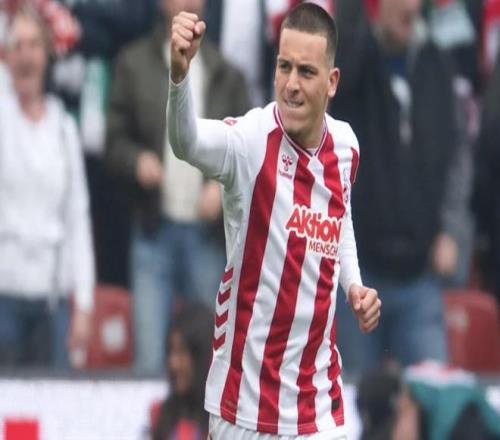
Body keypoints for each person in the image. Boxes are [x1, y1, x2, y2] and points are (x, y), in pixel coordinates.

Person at [167, 3, 381, 438]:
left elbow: (339, 218)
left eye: (306, 71)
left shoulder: (346, 147)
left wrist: (354, 285)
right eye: (284, 67)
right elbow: (186, 142)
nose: (291, 85)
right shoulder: (251, 142)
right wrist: (179, 76)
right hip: (245, 409)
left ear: (332, 82)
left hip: (317, 405)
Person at [106, 0, 251, 375]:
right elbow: (113, 141)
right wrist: (136, 160)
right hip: (153, 231)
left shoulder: (227, 73)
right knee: (149, 363)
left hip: (207, 237)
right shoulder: (133, 64)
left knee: (212, 361)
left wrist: (221, 189)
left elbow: (249, 156)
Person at [330, 0, 469, 375]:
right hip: (360, 276)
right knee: (353, 395)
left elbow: (458, 156)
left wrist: (451, 230)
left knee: (433, 394)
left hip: (420, 274)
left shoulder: (437, 64)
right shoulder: (354, 63)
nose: (410, 6)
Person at [0, 5, 95, 368]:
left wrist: (83, 302)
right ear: (7, 57)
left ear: (47, 55)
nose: (26, 54)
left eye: (34, 45)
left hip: (51, 298)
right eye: (18, 46)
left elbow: (77, 217)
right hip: (4, 293)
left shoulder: (62, 128)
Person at [152, 303, 213, 440]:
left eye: (181, 352)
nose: (173, 364)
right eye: (171, 352)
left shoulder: (226, 423)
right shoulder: (159, 415)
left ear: (201, 356)